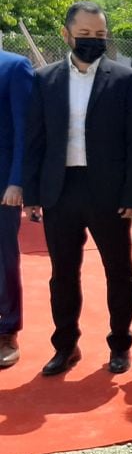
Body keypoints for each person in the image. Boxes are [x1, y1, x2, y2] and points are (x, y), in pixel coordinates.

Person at [23, 1, 132, 376]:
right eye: (85, 34)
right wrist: (32, 195)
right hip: (60, 191)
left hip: (108, 193)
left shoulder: (124, 79)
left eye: (100, 35)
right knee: (63, 274)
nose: (93, 41)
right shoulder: (44, 80)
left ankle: (120, 344)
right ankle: (65, 347)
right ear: (66, 34)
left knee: (119, 270)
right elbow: (35, 141)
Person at [0, 48, 33, 368]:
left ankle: (6, 329)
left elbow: (26, 131)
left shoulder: (13, 66)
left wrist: (18, 181)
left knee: (2, 258)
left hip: (2, 187)